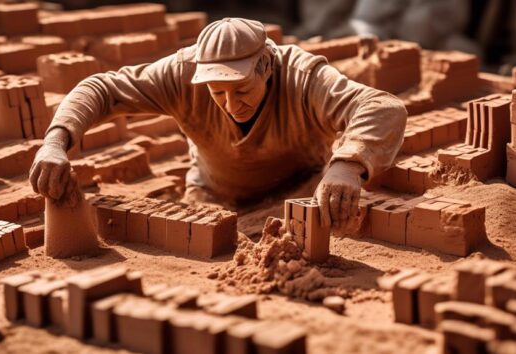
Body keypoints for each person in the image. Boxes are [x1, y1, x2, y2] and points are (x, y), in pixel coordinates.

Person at [29, 18, 407, 232]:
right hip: (212, 200)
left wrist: (346, 166)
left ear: (266, 66)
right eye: (217, 92)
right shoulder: (182, 72)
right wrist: (56, 141)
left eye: (241, 89)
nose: (230, 104)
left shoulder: (303, 76)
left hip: (299, 197)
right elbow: (102, 88)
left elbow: (382, 106)